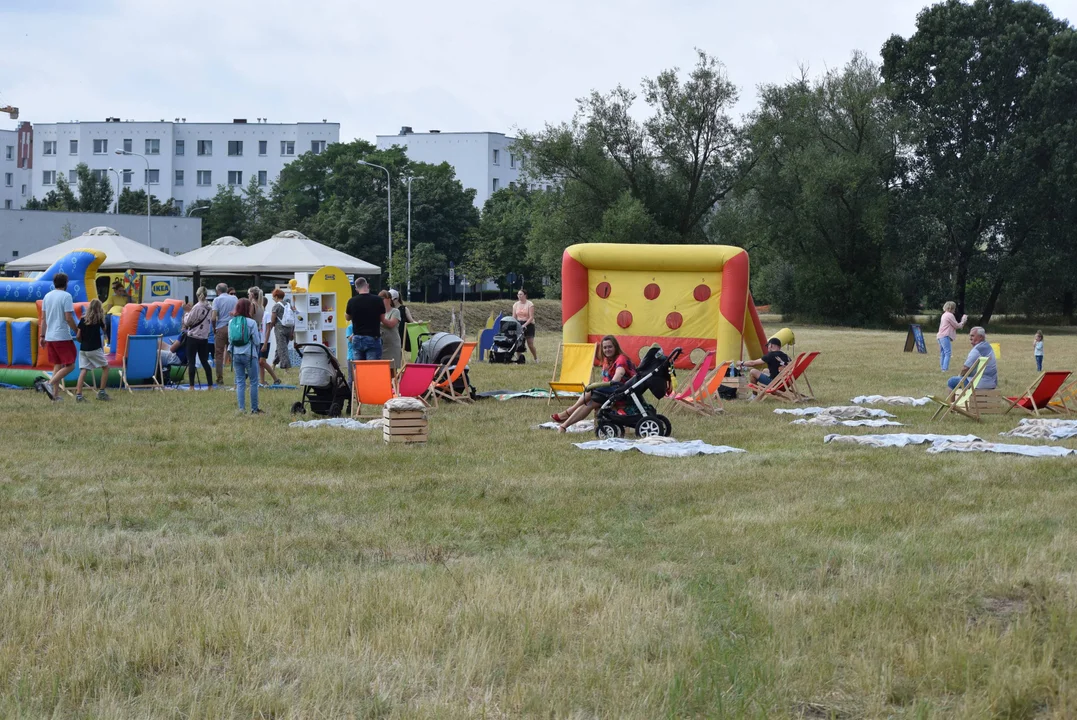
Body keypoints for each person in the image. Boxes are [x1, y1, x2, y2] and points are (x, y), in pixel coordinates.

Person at [554, 335, 635, 431]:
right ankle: (564, 425)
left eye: (610, 347)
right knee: (591, 400)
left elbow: (617, 376)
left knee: (591, 391)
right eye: (605, 347)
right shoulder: (607, 360)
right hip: (613, 393)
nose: (607, 350)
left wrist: (603, 386)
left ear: (615, 347)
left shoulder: (621, 359)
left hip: (623, 394)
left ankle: (568, 414)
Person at [36, 272, 79, 402]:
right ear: (66, 283)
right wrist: (77, 330)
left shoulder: (47, 297)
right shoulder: (66, 296)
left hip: (50, 336)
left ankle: (55, 395)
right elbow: (68, 317)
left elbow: (43, 318)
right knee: (70, 365)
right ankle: (48, 383)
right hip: (62, 336)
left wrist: (42, 335)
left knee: (57, 364)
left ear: (54, 283)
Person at [228, 297, 263, 414]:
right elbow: (257, 341)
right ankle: (254, 409)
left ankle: (241, 409)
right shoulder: (251, 322)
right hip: (249, 353)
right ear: (248, 308)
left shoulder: (231, 322)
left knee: (240, 382)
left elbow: (230, 339)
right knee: (253, 381)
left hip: (236, 354)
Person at [346, 277, 393, 361]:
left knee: (359, 369)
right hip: (373, 337)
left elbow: (347, 317)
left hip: (357, 338)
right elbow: (382, 319)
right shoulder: (378, 300)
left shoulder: (352, 301)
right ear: (367, 285)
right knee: (372, 369)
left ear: (356, 289)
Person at [74, 298, 110, 402]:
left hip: (83, 349)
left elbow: (78, 336)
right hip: (94, 348)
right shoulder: (98, 319)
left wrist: (82, 341)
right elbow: (104, 330)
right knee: (106, 368)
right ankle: (102, 392)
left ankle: (79, 395)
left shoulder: (83, 319)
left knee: (83, 370)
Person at [182, 286, 214, 388]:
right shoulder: (210, 307)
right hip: (204, 337)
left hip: (193, 336)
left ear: (197, 295)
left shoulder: (197, 307)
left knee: (191, 361)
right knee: (204, 361)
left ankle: (192, 386)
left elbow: (188, 322)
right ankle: (210, 385)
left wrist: (187, 312)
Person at [249, 287, 281, 386]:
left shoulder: (266, 314)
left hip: (264, 341)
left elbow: (268, 329)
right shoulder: (260, 311)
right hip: (260, 340)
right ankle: (262, 381)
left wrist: (266, 343)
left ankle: (275, 378)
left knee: (262, 362)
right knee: (260, 362)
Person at [210, 282, 238, 385]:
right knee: (234, 353)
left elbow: (213, 317)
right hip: (233, 328)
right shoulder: (234, 299)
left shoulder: (217, 300)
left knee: (219, 354)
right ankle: (238, 375)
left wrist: (214, 328)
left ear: (218, 291)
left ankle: (219, 377)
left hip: (221, 327)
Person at [936, 301, 968, 372]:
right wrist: (963, 321)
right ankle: (945, 369)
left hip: (940, 336)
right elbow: (956, 325)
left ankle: (943, 367)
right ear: (951, 308)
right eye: (954, 308)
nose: (955, 310)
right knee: (948, 353)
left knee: (943, 353)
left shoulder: (944, 315)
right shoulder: (950, 315)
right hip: (945, 336)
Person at [267, 288, 294, 369]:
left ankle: (286, 367)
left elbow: (272, 320)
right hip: (289, 328)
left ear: (276, 296)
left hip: (280, 329)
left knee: (283, 348)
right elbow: (293, 318)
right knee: (280, 346)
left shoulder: (276, 306)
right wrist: (293, 332)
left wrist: (269, 330)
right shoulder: (288, 305)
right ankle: (274, 364)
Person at [379, 290, 403, 371]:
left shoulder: (395, 311)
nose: (381, 300)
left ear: (389, 299)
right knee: (382, 370)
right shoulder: (378, 312)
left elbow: (391, 324)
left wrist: (381, 318)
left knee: (392, 371)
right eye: (379, 298)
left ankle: (393, 383)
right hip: (381, 345)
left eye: (383, 298)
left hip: (392, 345)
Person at [513, 289, 538, 362]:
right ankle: (519, 359)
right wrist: (514, 324)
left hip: (529, 324)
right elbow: (514, 316)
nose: (519, 296)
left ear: (525, 295)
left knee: (530, 344)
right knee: (519, 343)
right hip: (519, 323)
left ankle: (536, 358)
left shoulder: (530, 304)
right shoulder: (515, 305)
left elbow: (531, 317)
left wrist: (525, 325)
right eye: (518, 294)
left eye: (521, 294)